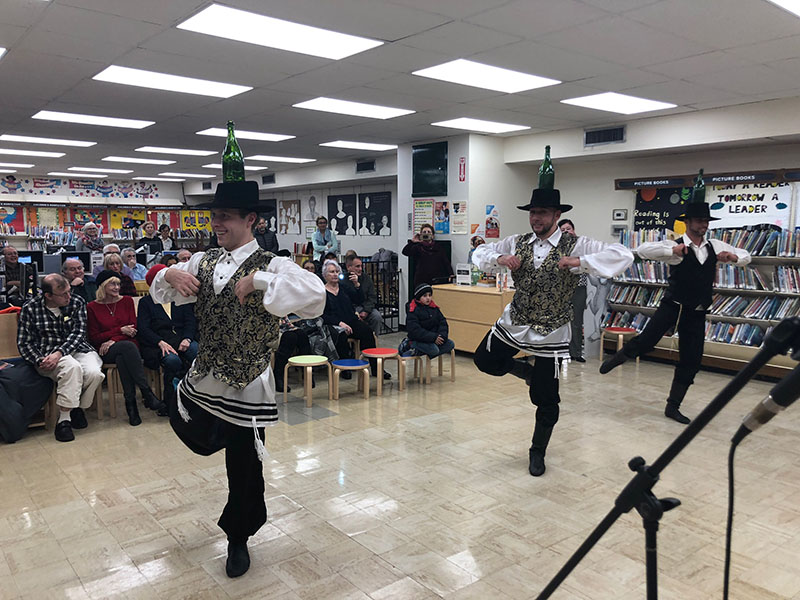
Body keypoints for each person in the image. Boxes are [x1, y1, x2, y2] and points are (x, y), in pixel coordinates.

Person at [150, 178, 325, 579]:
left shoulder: (274, 264)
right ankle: (216, 432)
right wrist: (169, 275)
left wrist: (259, 281)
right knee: (194, 433)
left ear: (251, 220)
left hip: (248, 382)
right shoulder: (203, 261)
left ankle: (238, 538)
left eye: (225, 217)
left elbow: (315, 297)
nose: (217, 224)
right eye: (214, 217)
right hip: (206, 376)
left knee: (244, 468)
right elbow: (161, 285)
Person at [472, 162, 632, 477]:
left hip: (554, 332)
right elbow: (479, 254)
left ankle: (537, 452)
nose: (536, 218)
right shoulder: (516, 241)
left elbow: (623, 255)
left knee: (547, 401)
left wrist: (582, 262)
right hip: (516, 321)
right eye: (533, 212)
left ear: (557, 216)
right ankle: (524, 371)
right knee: (484, 360)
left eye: (543, 213)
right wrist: (498, 258)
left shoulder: (578, 244)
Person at [600, 170, 751, 425]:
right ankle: (620, 356)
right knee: (647, 342)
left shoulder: (714, 245)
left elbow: (747, 256)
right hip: (673, 306)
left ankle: (673, 406)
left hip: (697, 311)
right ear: (688, 221)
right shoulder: (676, 246)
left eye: (706, 221)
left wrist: (734, 258)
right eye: (699, 220)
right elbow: (644, 250)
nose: (703, 224)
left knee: (692, 361)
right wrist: (673, 249)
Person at [16, 273, 104, 442]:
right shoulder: (30, 308)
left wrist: (60, 352)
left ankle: (75, 407)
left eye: (69, 291)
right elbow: (24, 343)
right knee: (72, 368)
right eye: (63, 294)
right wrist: (38, 360)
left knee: (94, 373)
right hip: (47, 354)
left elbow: (78, 334)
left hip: (78, 349)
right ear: (47, 295)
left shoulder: (77, 302)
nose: (68, 297)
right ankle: (64, 421)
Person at [88, 270, 165, 425]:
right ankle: (146, 392)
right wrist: (119, 331)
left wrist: (113, 339)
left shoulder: (127, 301)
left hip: (125, 347)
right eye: (112, 284)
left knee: (124, 356)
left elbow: (133, 329)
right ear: (103, 286)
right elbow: (94, 338)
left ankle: (131, 404)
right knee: (126, 348)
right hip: (106, 350)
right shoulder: (92, 307)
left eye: (118, 284)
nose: (117, 287)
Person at [137, 264, 197, 413]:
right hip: (159, 342)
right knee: (172, 361)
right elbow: (143, 328)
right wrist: (160, 342)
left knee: (199, 354)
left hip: (183, 339)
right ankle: (171, 402)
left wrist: (188, 338)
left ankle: (197, 399)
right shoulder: (146, 302)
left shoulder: (181, 297)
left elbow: (191, 321)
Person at [321, 260, 388, 380]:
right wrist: (340, 323)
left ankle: (375, 367)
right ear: (325, 275)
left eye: (337, 271)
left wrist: (357, 285)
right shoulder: (322, 292)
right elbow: (323, 315)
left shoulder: (344, 287)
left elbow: (359, 300)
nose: (335, 274)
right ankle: (344, 367)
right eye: (332, 272)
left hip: (351, 320)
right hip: (334, 323)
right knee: (341, 335)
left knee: (367, 332)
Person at [558, 219, 587, 362]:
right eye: (562, 230)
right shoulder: (557, 248)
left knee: (576, 321)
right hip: (562, 289)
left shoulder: (582, 245)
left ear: (574, 230)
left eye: (568, 229)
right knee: (561, 321)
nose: (566, 232)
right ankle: (561, 352)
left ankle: (576, 353)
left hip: (579, 288)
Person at [404, 283, 455, 358]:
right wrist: (433, 337)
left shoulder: (434, 308)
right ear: (418, 297)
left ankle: (420, 351)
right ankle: (410, 345)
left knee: (451, 344)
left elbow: (442, 322)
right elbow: (415, 330)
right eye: (424, 296)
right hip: (419, 339)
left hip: (433, 339)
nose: (428, 298)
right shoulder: (413, 310)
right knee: (434, 350)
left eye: (430, 295)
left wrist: (441, 336)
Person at [342, 255, 384, 336]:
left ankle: (373, 340)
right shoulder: (343, 281)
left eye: (361, 266)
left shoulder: (367, 278)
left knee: (377, 317)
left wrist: (366, 311)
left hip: (365, 307)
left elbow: (372, 297)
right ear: (349, 267)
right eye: (357, 266)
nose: (360, 269)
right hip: (351, 309)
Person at [402, 223, 453, 290]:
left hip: (436, 280)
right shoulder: (417, 247)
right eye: (424, 232)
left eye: (429, 232)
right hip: (421, 280)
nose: (426, 233)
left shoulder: (438, 247)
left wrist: (451, 274)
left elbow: (446, 262)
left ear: (433, 235)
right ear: (421, 234)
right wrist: (412, 242)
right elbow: (405, 252)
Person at [274, 317, 312, 393]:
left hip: (285, 325)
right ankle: (278, 375)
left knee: (302, 335)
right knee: (290, 337)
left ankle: (307, 372)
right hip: (272, 329)